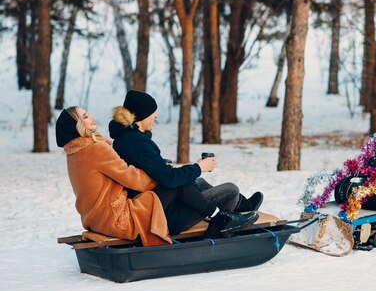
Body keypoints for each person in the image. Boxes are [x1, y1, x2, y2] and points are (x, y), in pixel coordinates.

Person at [108, 90, 263, 237]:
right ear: (141, 116)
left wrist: (179, 169)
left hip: (158, 200)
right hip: (166, 215)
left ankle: (240, 206)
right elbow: (169, 179)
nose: (155, 116)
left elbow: (152, 169)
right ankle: (221, 223)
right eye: (152, 113)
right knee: (231, 190)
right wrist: (199, 167)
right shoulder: (135, 142)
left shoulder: (127, 138)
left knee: (198, 181)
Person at [56, 107, 170, 246]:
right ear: (77, 125)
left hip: (94, 220)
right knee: (173, 189)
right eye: (85, 117)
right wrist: (160, 174)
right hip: (117, 220)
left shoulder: (74, 153)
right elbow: (132, 178)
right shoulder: (96, 149)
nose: (91, 116)